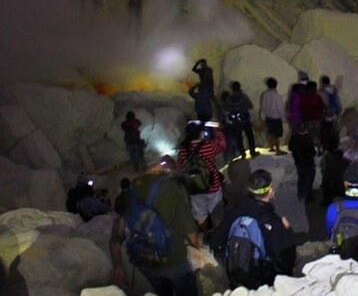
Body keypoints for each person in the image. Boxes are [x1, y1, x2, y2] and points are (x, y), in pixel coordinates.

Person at [110, 157, 200, 296]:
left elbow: (116, 239)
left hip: (144, 261)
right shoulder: (172, 186)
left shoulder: (129, 192)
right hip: (173, 259)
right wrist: (197, 248)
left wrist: (118, 266)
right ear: (165, 170)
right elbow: (190, 231)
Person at [209, 169, 296, 290]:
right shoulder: (272, 222)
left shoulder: (235, 211)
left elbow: (215, 242)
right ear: (270, 191)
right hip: (264, 283)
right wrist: (287, 230)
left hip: (235, 276)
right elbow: (287, 258)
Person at [177, 120, 226, 240]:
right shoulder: (208, 145)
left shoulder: (184, 149)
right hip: (212, 185)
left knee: (200, 213)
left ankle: (205, 234)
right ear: (200, 133)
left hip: (194, 187)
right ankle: (217, 236)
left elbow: (179, 166)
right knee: (216, 211)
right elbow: (222, 145)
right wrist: (218, 131)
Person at [226, 81, 258, 158]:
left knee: (239, 138)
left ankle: (242, 153)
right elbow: (250, 106)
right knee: (249, 136)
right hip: (245, 120)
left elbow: (226, 108)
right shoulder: (243, 97)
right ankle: (252, 151)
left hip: (235, 121)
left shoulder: (229, 98)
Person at [288, 123, 316, 203]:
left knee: (301, 177)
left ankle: (300, 193)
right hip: (308, 162)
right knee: (309, 178)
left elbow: (290, 148)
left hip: (298, 161)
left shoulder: (294, 138)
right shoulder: (308, 138)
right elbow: (312, 152)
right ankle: (308, 196)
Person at [260, 77, 286, 155]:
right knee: (276, 134)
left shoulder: (265, 95)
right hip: (276, 117)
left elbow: (263, 107)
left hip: (268, 117)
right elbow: (280, 108)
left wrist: (263, 116)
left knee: (270, 132)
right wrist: (283, 117)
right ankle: (278, 150)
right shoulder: (277, 96)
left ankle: (271, 147)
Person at [318, 75, 342, 153]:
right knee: (334, 132)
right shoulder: (334, 91)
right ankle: (334, 148)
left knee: (325, 133)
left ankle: (326, 149)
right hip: (335, 115)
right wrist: (337, 114)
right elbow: (338, 104)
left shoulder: (321, 93)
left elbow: (321, 106)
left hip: (325, 116)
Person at [300, 80, 326, 152]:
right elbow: (323, 107)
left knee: (309, 135)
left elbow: (301, 108)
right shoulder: (317, 97)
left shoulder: (304, 98)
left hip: (307, 119)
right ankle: (319, 149)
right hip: (317, 118)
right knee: (318, 134)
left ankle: (311, 150)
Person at [220, 90, 244, 161]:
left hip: (228, 129)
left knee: (230, 146)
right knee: (234, 145)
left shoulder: (223, 108)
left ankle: (229, 162)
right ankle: (235, 161)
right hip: (233, 128)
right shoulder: (232, 106)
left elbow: (222, 120)